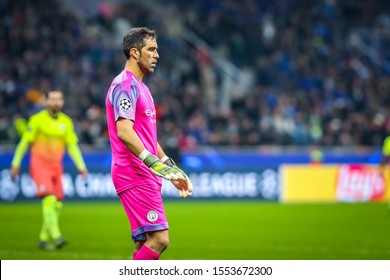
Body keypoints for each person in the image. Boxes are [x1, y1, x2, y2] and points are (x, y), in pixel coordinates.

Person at [105, 27, 193, 260]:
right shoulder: (126, 86)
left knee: (143, 241)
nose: (157, 55)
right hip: (134, 172)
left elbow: (146, 137)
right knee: (160, 239)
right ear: (134, 52)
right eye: (151, 49)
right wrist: (152, 163)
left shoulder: (141, 87)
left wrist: (168, 166)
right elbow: (124, 132)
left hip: (144, 171)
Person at [10, 90, 88, 250]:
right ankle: (57, 235)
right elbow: (24, 143)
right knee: (50, 199)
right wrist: (15, 164)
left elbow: (72, 146)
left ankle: (43, 237)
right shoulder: (37, 120)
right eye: (52, 99)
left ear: (62, 102)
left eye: (59, 99)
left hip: (56, 168)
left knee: (57, 204)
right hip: (39, 166)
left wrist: (81, 167)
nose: (56, 102)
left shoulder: (66, 122)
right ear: (46, 102)